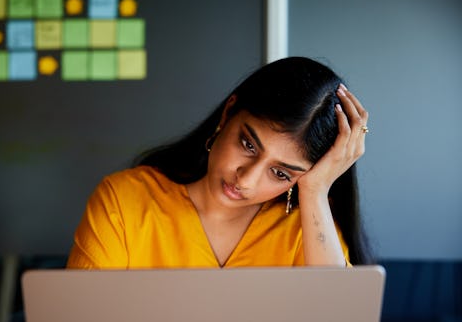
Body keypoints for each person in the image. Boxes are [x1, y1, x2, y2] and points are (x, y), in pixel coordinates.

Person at [66, 56, 372, 269]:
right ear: (228, 114)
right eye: (248, 144)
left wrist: (316, 191)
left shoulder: (308, 229)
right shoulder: (123, 202)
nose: (246, 180)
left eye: (279, 173)